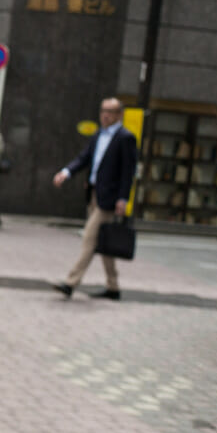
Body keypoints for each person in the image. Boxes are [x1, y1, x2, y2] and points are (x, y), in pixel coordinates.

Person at [51, 97, 139, 300]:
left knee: (89, 238)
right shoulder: (98, 134)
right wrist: (66, 172)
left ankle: (70, 283)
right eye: (103, 110)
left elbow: (128, 171)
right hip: (93, 194)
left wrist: (123, 198)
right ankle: (113, 287)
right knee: (104, 241)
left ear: (120, 115)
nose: (105, 115)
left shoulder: (126, 138)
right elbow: (84, 158)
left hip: (109, 199)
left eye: (110, 111)